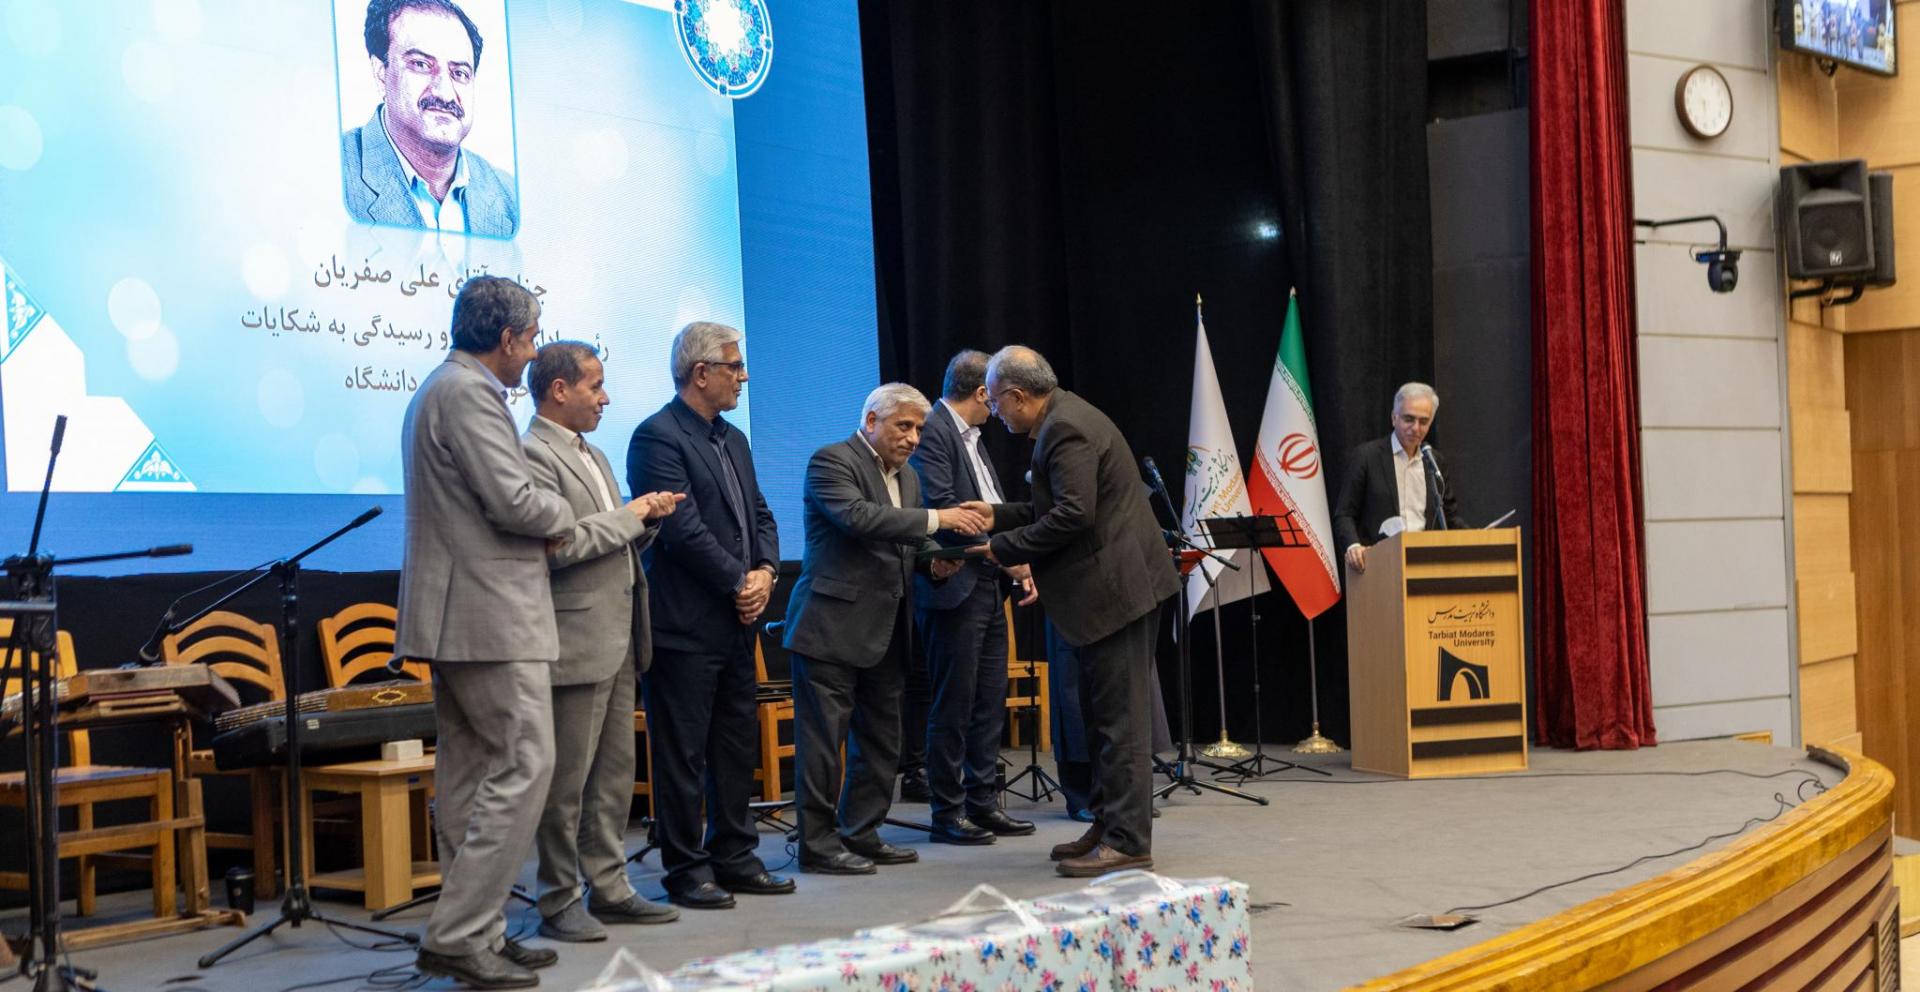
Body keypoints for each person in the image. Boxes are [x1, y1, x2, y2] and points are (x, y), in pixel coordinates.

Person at [398, 276, 569, 989]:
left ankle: (479, 928)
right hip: (490, 615)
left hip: (463, 614)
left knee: (470, 778)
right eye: (530, 340)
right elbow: (514, 501)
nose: (532, 354)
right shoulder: (470, 393)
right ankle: (460, 933)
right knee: (527, 762)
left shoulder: (440, 388)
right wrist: (566, 514)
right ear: (506, 339)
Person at [968, 346, 1180, 878]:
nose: (995, 413)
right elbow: (1058, 506)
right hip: (1107, 595)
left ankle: (1128, 841)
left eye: (996, 402)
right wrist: (994, 516)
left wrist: (1003, 547)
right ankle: (1107, 825)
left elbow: (1073, 516)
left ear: (1018, 396)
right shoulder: (1066, 417)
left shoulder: (1065, 429)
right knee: (1100, 718)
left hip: (1115, 595)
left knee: (1120, 724)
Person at [520, 342, 683, 942]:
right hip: (575, 639)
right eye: (595, 386)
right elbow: (557, 546)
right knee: (567, 783)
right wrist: (631, 515)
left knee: (614, 776)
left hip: (619, 634)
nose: (605, 398)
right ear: (559, 389)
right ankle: (559, 899)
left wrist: (647, 522)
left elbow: (609, 540)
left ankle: (610, 888)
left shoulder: (593, 453)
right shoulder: (531, 454)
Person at [625, 322, 792, 910]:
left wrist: (766, 571)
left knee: (734, 747)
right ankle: (685, 869)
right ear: (701, 373)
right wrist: (738, 581)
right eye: (734, 366)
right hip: (684, 626)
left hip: (737, 623)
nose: (743, 377)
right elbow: (681, 530)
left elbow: (760, 514)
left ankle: (736, 856)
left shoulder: (734, 438)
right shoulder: (657, 437)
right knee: (683, 756)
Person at [782, 384, 981, 874]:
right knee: (823, 746)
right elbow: (858, 518)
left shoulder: (908, 478)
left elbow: (905, 545)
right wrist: (938, 519)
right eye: (904, 426)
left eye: (919, 429)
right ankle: (818, 845)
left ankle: (862, 833)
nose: (913, 438)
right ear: (871, 421)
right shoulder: (832, 460)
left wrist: (934, 564)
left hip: (888, 629)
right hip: (829, 628)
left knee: (880, 741)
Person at [909, 351, 1037, 845]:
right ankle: (948, 812)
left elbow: (990, 509)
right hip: (953, 584)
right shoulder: (933, 430)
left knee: (988, 700)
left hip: (988, 583)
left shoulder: (973, 439)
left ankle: (983, 804)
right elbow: (943, 509)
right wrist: (1008, 556)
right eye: (996, 396)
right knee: (954, 704)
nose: (999, 409)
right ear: (983, 392)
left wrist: (1014, 555)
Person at [343, 0, 519, 236]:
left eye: (459, 73)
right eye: (421, 64)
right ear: (381, 73)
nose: (445, 93)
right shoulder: (332, 173)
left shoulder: (510, 194)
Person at [1332, 381, 1464, 575]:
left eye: (1423, 421)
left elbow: (1449, 516)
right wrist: (1353, 546)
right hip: (1378, 567)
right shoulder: (1367, 457)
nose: (1416, 428)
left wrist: (1479, 538)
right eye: (1409, 419)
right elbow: (1344, 515)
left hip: (1426, 566)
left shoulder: (1434, 462)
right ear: (1394, 418)